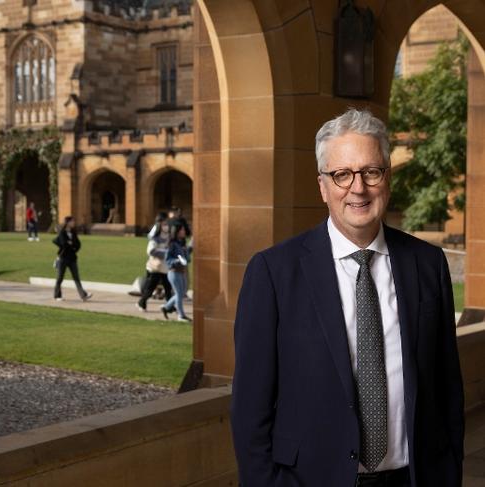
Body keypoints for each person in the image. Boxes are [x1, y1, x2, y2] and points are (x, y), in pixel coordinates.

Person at [231, 109, 464, 487]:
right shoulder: (273, 273)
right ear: (323, 186)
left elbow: (448, 389)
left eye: (371, 172)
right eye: (342, 175)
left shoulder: (427, 264)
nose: (358, 188)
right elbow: (249, 410)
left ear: (387, 178)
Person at [137, 212, 172, 312]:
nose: (166, 226)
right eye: (164, 224)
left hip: (165, 267)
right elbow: (150, 251)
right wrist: (165, 253)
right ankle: (141, 303)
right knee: (150, 289)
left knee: (168, 288)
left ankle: (170, 306)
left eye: (167, 223)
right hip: (155, 267)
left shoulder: (168, 236)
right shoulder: (155, 237)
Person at [52, 216, 92, 302]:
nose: (74, 223)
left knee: (76, 277)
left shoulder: (73, 232)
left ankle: (83, 295)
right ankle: (57, 295)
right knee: (60, 278)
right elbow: (64, 244)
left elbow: (78, 244)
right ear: (68, 222)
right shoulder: (62, 233)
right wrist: (70, 245)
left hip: (72, 258)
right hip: (63, 258)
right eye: (72, 221)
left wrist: (72, 246)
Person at [160, 222, 191, 322]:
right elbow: (168, 259)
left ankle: (166, 307)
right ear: (177, 231)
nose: (184, 231)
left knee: (181, 293)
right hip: (174, 272)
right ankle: (181, 315)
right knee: (179, 293)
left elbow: (188, 259)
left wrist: (186, 252)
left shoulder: (182, 243)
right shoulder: (172, 244)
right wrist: (177, 261)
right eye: (182, 230)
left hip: (182, 272)